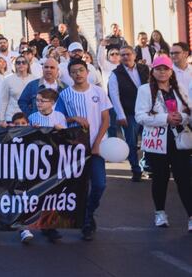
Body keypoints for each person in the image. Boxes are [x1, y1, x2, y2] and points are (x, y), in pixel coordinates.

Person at [134, 55, 192, 232]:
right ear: (153, 71)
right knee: (160, 178)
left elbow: (188, 112)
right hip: (157, 142)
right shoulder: (144, 90)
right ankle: (160, 212)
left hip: (178, 141)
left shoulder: (179, 88)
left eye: (165, 69)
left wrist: (180, 117)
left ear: (170, 71)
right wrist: (164, 118)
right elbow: (140, 116)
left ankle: (191, 216)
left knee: (185, 179)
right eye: (158, 69)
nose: (162, 72)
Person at [58, 58, 111, 241]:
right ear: (69, 74)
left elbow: (106, 119)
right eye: (74, 71)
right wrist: (74, 119)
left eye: (81, 70)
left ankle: (89, 212)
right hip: (75, 149)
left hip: (96, 147)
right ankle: (84, 222)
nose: (78, 74)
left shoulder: (98, 92)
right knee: (75, 186)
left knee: (99, 184)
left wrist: (97, 143)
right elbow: (59, 119)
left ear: (87, 71)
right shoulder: (65, 95)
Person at [108, 45, 149, 182]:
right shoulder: (116, 73)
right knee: (131, 143)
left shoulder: (144, 69)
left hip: (147, 112)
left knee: (149, 141)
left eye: (128, 54)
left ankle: (147, 165)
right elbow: (114, 95)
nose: (125, 57)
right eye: (123, 54)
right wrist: (120, 115)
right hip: (129, 113)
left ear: (134, 55)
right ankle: (136, 170)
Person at [0, 56, 37, 124]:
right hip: (11, 117)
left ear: (28, 65)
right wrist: (1, 119)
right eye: (18, 63)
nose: (21, 64)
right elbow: (3, 100)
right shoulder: (7, 79)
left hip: (28, 117)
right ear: (15, 65)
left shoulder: (34, 79)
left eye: (23, 62)